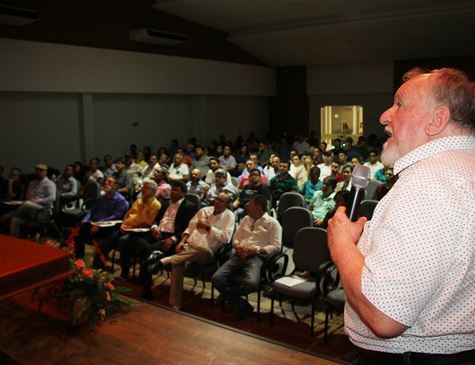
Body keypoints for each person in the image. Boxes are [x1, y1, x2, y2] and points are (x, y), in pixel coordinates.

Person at [327, 67, 475, 363]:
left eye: (400, 104)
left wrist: (341, 244)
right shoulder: (463, 169)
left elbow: (385, 317)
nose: (384, 116)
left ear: (437, 120)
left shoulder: (429, 181)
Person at [147, 192, 235, 309]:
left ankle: (165, 260)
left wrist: (208, 227)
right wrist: (182, 241)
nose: (217, 202)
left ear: (228, 204)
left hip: (208, 252)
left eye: (221, 201)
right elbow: (190, 228)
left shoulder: (229, 216)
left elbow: (226, 238)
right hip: (189, 247)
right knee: (177, 263)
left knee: (201, 250)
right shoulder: (204, 210)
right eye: (216, 199)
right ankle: (175, 303)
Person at [212, 195, 282, 321]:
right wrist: (238, 247)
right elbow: (236, 238)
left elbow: (277, 246)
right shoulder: (245, 219)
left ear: (258, 206)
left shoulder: (273, 223)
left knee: (250, 284)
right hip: (239, 255)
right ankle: (242, 305)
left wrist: (255, 250)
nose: (247, 206)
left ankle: (227, 296)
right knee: (217, 278)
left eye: (250, 204)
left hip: (257, 257)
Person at [72, 176, 128, 259]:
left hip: (106, 226)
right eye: (105, 181)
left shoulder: (120, 200)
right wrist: (85, 220)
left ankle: (97, 262)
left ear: (115, 186)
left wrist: (99, 223)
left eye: (109, 182)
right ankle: (79, 259)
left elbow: (115, 216)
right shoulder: (101, 198)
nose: (106, 183)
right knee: (78, 231)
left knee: (83, 230)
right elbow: (92, 211)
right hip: (93, 223)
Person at [0, 164, 56, 237]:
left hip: (43, 209)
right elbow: (28, 197)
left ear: (46, 172)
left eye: (41, 170)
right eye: (37, 170)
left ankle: (9, 216)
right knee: (15, 220)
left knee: (27, 204)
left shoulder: (49, 184)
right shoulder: (32, 183)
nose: (38, 172)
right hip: (30, 208)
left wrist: (36, 201)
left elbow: (52, 198)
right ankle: (14, 241)